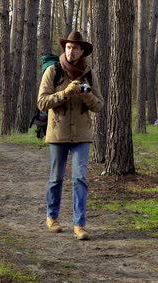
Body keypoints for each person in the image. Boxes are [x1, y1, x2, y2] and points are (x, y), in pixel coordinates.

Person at [37, 31, 104, 240]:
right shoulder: (52, 71)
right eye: (68, 47)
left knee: (80, 178)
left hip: (82, 135)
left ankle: (79, 225)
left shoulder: (90, 74)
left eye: (75, 47)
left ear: (82, 51)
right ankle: (52, 217)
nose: (71, 50)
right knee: (56, 178)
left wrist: (87, 96)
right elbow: (42, 102)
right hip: (58, 133)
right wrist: (65, 93)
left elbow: (99, 106)